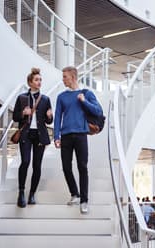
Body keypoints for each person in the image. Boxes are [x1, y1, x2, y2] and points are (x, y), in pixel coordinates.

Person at [54, 66, 103, 214]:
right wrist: (56, 136)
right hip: (66, 136)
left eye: (65, 77)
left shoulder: (86, 93)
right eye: (63, 77)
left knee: (83, 168)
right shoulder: (61, 97)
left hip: (81, 135)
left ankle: (84, 201)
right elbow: (57, 118)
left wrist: (84, 101)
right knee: (66, 167)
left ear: (73, 77)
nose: (63, 79)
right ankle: (75, 193)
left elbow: (98, 111)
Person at [13, 67, 53, 208]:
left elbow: (49, 122)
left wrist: (50, 116)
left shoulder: (46, 99)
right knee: (25, 162)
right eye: (36, 80)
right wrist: (23, 113)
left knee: (37, 165)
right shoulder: (22, 98)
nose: (39, 82)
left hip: (40, 135)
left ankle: (32, 194)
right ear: (30, 82)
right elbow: (15, 117)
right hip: (26, 134)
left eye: (40, 80)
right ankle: (21, 193)